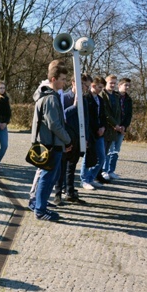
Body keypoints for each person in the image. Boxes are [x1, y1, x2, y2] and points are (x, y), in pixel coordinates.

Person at [29, 62, 72, 221]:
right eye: (62, 79)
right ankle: (40, 210)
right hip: (51, 145)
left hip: (51, 144)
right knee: (47, 178)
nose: (64, 82)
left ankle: (40, 204)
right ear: (53, 79)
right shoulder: (50, 99)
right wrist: (67, 140)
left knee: (50, 177)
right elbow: (54, 124)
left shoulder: (47, 96)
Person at [55, 74, 91, 204]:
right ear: (73, 83)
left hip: (78, 138)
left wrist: (86, 137)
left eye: (86, 86)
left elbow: (86, 120)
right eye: (82, 84)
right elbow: (61, 118)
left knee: (72, 167)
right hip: (66, 138)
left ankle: (70, 192)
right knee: (62, 167)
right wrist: (74, 106)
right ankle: (58, 194)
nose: (84, 88)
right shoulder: (64, 97)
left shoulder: (85, 100)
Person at [80, 76, 107, 190]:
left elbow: (103, 116)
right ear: (93, 85)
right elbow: (86, 117)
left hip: (99, 133)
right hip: (89, 132)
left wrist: (103, 127)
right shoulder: (85, 98)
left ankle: (91, 178)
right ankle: (84, 180)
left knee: (101, 157)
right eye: (100, 87)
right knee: (88, 157)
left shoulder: (100, 100)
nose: (101, 89)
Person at [103, 77, 132, 179]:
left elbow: (128, 115)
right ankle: (104, 170)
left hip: (121, 128)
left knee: (116, 151)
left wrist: (124, 126)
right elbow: (111, 113)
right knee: (109, 150)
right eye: (125, 85)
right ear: (119, 85)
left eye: (129, 85)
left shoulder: (128, 100)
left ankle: (111, 170)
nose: (127, 87)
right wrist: (115, 125)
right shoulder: (114, 96)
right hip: (112, 127)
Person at [99, 74, 121, 183]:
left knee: (107, 151)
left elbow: (118, 113)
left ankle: (101, 174)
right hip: (105, 127)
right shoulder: (102, 95)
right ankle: (99, 173)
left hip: (113, 130)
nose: (113, 85)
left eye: (114, 83)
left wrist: (119, 125)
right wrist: (115, 124)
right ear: (106, 83)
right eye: (110, 83)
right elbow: (105, 113)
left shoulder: (116, 96)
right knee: (101, 153)